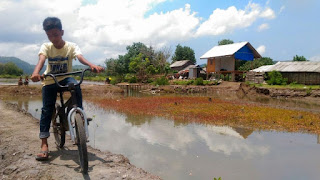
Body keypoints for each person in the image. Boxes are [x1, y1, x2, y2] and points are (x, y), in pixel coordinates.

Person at [31, 17, 104, 161]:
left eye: (55, 35)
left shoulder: (71, 46)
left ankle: (79, 114)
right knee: (47, 110)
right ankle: (44, 144)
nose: (53, 38)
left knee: (76, 85)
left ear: (62, 32)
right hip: (50, 79)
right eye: (49, 35)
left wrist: (91, 65)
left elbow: (80, 57)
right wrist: (35, 73)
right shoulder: (46, 47)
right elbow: (41, 60)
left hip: (66, 78)